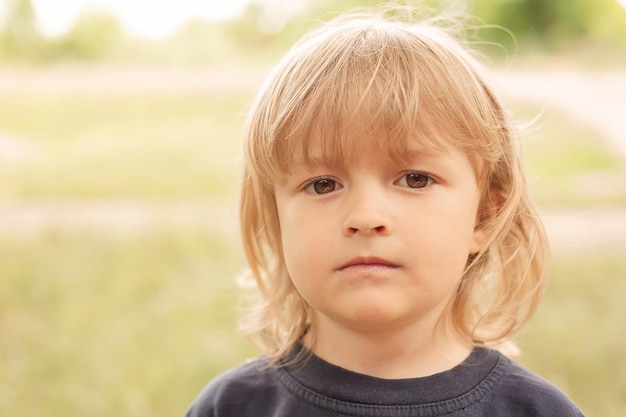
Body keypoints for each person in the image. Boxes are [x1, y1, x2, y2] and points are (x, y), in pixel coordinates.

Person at [186, 5, 585, 417]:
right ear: (276, 217)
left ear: (485, 215)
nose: (365, 216)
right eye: (323, 184)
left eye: (415, 179)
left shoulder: (536, 411)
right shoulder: (232, 407)